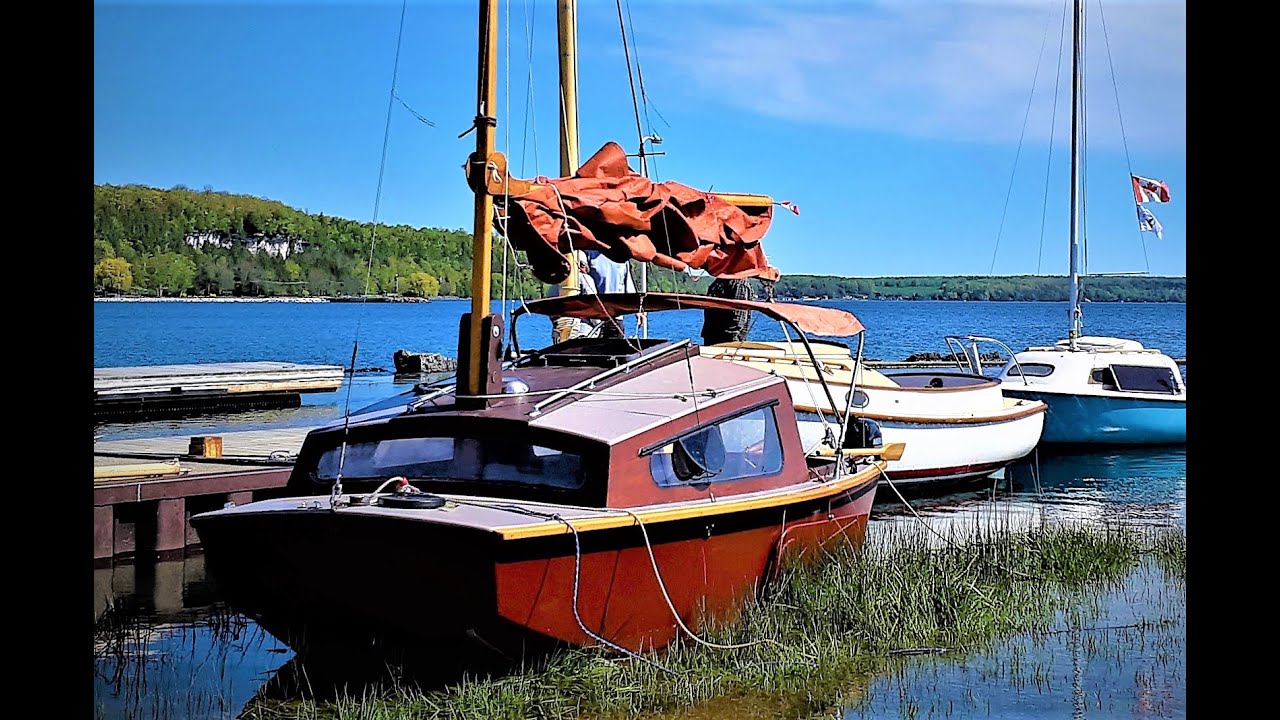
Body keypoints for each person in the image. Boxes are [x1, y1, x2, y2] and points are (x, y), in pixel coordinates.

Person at [701, 276, 754, 345]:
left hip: (726, 342)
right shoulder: (722, 279)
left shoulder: (739, 282)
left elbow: (738, 320)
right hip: (712, 337)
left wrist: (729, 340)